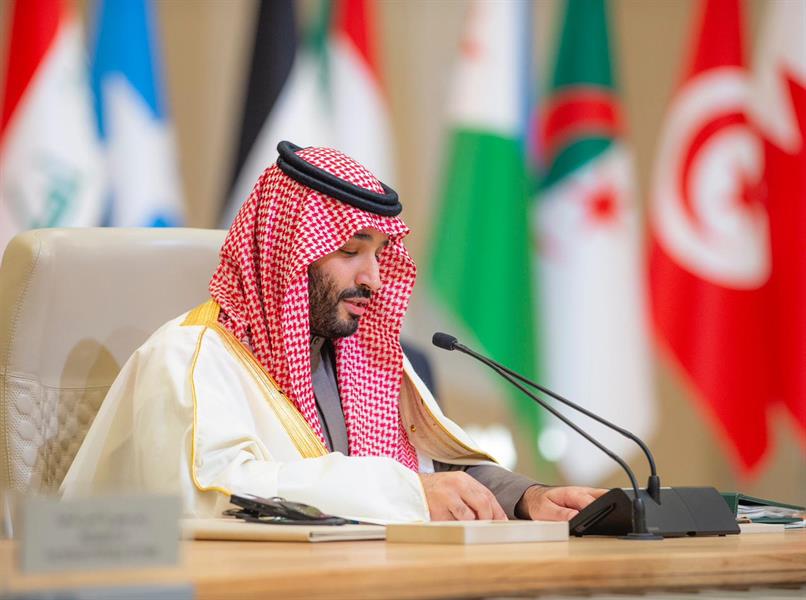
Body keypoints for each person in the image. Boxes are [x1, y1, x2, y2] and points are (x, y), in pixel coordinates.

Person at [61, 142, 604, 522]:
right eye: (349, 251)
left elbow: (434, 469)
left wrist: (528, 498)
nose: (373, 278)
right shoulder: (187, 359)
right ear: (287, 252)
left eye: (380, 253)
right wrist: (406, 494)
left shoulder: (361, 355)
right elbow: (219, 496)